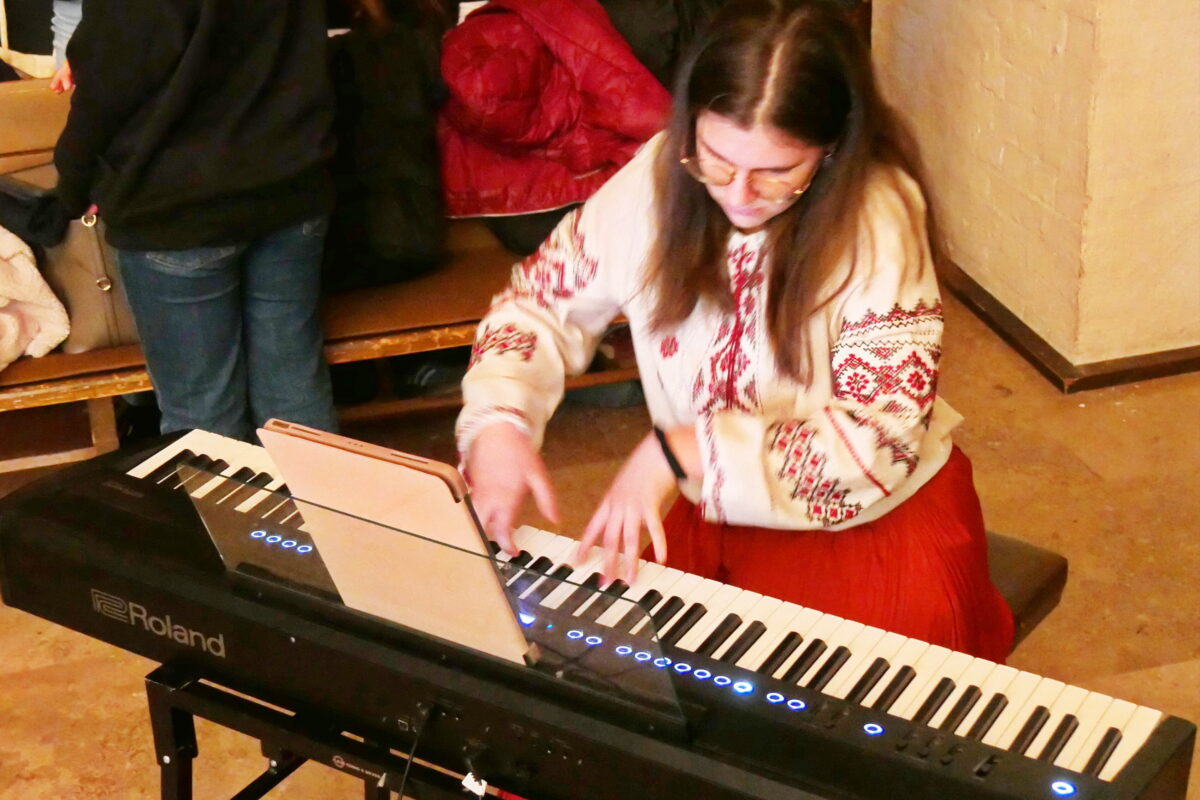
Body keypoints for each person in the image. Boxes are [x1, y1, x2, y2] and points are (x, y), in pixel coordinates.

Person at [457, 0, 1014, 662]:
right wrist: (500, 422)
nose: (739, 194)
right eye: (716, 161)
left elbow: (881, 441)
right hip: (715, 512)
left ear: (832, 150)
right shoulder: (664, 170)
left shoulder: (877, 215)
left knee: (833, 721)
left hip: (866, 528)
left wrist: (682, 451)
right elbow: (539, 304)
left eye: (777, 172)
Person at [53, 0, 338, 440]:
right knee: (294, 387)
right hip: (292, 185)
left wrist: (72, 187)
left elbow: (107, 92)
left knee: (202, 411)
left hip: (177, 207)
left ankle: (231, 492)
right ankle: (320, 489)